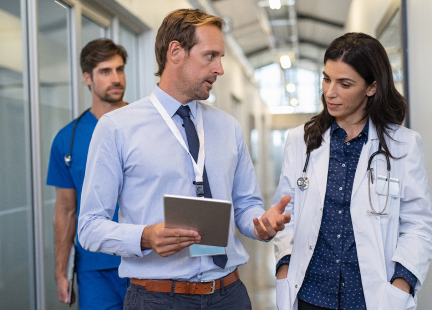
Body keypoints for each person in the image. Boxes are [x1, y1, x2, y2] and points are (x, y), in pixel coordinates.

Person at [78, 8, 290, 310]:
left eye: (221, 57)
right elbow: (89, 226)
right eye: (210, 56)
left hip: (229, 294)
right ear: (175, 52)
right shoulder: (117, 128)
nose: (220, 69)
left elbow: (246, 205)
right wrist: (146, 236)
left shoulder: (228, 127)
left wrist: (260, 223)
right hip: (157, 299)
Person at [272, 32, 432, 310]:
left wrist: (401, 283)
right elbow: (287, 211)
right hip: (310, 293)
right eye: (326, 79)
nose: (330, 92)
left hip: (373, 297)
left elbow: (418, 225)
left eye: (344, 84)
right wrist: (284, 266)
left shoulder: (403, 145)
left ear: (371, 87)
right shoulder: (301, 140)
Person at [47, 38, 128, 309]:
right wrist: (61, 271)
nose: (116, 78)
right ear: (87, 78)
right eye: (105, 71)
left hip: (146, 261)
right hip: (93, 269)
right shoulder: (67, 139)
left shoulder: (147, 125)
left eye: (119, 69)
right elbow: (66, 210)